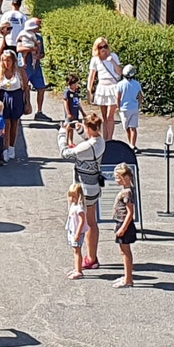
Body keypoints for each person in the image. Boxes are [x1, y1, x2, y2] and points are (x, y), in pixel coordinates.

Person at [59, 113, 106, 270]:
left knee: (85, 222)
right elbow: (89, 139)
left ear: (89, 128)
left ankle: (89, 258)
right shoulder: (100, 141)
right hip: (94, 185)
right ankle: (92, 256)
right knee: (92, 221)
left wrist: (62, 132)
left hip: (84, 188)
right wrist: (79, 129)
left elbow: (65, 153)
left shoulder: (87, 147)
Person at [0, 48, 29, 162]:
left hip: (17, 98)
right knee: (6, 124)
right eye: (4, 60)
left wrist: (28, 103)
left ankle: (11, 148)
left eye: (8, 60)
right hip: (4, 98)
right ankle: (5, 150)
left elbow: (26, 87)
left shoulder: (20, 71)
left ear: (13, 61)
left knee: (15, 123)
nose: (6, 63)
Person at [87, 37, 125, 142]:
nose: (103, 49)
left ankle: (109, 139)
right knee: (104, 117)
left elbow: (120, 72)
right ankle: (105, 139)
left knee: (110, 116)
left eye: (105, 46)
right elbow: (91, 76)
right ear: (97, 48)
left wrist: (112, 61)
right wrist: (89, 90)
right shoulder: (95, 60)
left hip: (113, 87)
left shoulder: (114, 56)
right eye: (100, 47)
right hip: (102, 88)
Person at [113, 163, 139, 287]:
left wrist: (123, 228)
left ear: (126, 178)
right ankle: (127, 275)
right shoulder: (126, 191)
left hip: (124, 224)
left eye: (118, 177)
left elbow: (130, 212)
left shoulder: (127, 193)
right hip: (121, 223)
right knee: (123, 251)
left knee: (125, 252)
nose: (116, 180)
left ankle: (128, 279)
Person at [20, 18, 49, 118]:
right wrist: (32, 49)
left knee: (41, 88)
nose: (40, 28)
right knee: (23, 88)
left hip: (36, 67)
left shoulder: (39, 38)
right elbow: (19, 49)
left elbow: (42, 53)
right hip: (26, 67)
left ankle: (39, 111)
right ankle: (22, 109)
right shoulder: (23, 36)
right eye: (38, 26)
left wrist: (40, 55)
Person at [65, 182, 91, 280]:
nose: (71, 198)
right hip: (72, 230)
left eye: (74, 196)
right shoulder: (73, 205)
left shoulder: (79, 208)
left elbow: (82, 221)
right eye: (70, 196)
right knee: (75, 250)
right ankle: (77, 268)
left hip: (77, 232)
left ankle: (79, 271)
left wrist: (78, 233)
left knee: (77, 251)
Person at [119, 64, 143, 149]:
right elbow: (140, 96)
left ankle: (130, 144)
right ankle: (132, 145)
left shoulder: (120, 84)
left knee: (127, 127)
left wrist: (118, 107)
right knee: (133, 127)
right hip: (134, 108)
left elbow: (118, 97)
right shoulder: (137, 84)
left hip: (124, 109)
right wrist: (139, 105)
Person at [62, 73, 85, 143]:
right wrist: (68, 113)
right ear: (70, 84)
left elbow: (78, 103)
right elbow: (65, 102)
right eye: (75, 84)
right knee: (68, 126)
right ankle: (65, 140)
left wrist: (83, 113)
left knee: (72, 127)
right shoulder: (67, 92)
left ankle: (70, 141)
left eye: (77, 83)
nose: (76, 85)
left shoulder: (76, 93)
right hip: (70, 113)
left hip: (75, 113)